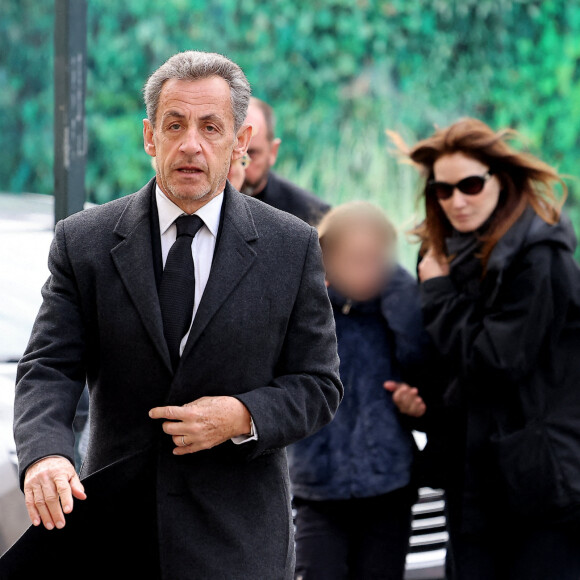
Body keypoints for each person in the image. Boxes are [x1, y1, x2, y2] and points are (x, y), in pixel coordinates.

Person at [6, 51, 342, 579]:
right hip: (115, 535)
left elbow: (319, 385)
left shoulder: (291, 245)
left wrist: (241, 416)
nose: (191, 144)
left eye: (211, 127)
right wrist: (46, 454)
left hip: (238, 540)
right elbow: (49, 368)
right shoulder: (84, 241)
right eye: (174, 124)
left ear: (239, 142)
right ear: (149, 136)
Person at [387, 118, 580, 579]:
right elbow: (446, 363)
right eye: (443, 190)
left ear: (500, 179)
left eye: (470, 184)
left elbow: (494, 363)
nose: (457, 200)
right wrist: (420, 405)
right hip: (472, 479)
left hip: (539, 483)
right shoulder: (443, 255)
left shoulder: (540, 257)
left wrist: (437, 292)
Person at [288, 202, 429, 580]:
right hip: (318, 488)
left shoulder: (396, 310)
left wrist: (399, 288)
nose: (368, 271)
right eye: (355, 259)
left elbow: (421, 360)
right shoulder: (306, 312)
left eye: (376, 259)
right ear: (326, 260)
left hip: (388, 485)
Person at [241, 97, 330, 225]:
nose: (238, 164)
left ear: (273, 151)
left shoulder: (312, 215)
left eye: (250, 153)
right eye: (231, 152)